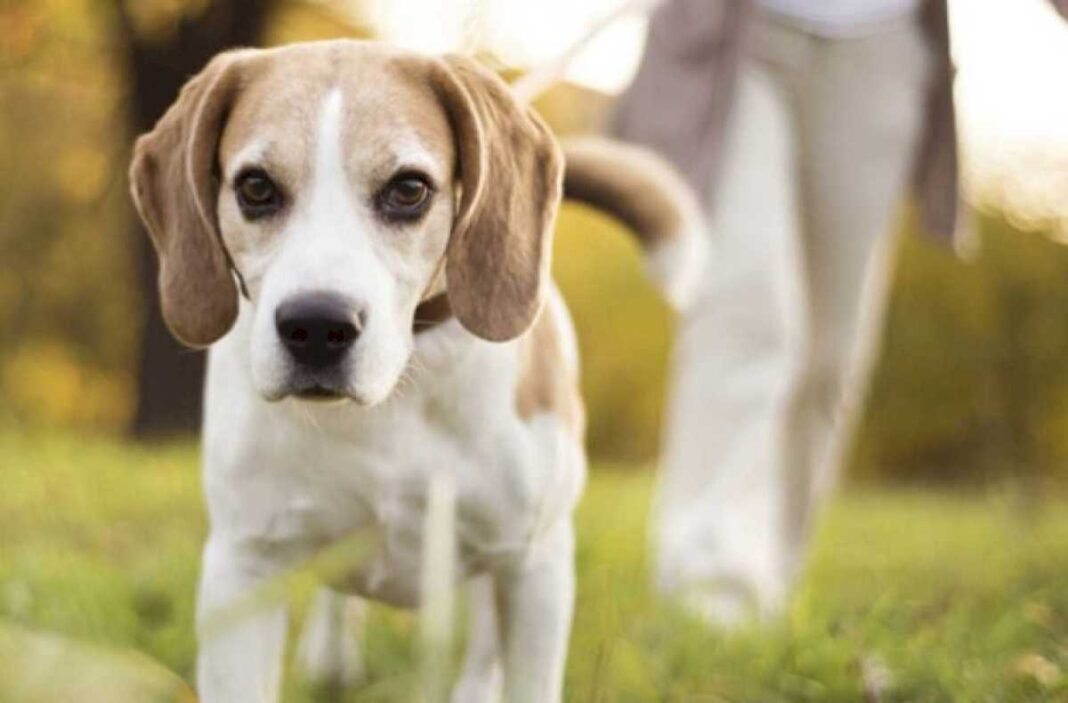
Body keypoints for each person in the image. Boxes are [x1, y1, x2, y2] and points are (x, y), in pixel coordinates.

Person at [612, 0, 1063, 625]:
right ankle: (708, 595)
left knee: (829, 353)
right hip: (736, 35)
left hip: (881, 49)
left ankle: (769, 578)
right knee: (747, 305)